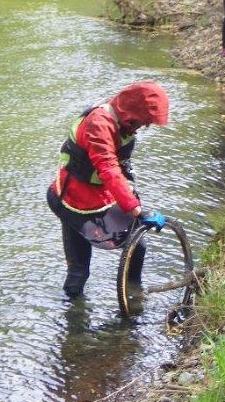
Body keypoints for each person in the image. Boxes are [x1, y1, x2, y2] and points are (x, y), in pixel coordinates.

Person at [46, 82, 169, 299]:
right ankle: (74, 323)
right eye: (146, 121)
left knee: (136, 245)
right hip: (73, 200)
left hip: (100, 196)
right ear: (134, 110)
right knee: (79, 271)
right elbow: (108, 168)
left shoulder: (124, 121)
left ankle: (133, 295)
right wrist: (136, 210)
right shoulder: (99, 123)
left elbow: (119, 167)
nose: (146, 126)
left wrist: (132, 198)